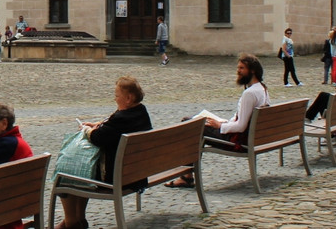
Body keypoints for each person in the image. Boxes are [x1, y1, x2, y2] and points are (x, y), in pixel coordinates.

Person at [58, 76, 152, 228]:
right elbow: (113, 127)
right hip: (136, 175)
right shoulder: (140, 111)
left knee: (65, 174)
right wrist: (98, 124)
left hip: (116, 177)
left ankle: (71, 222)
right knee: (81, 170)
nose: (115, 99)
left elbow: (97, 138)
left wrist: (87, 130)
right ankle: (78, 219)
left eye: (117, 96)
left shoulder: (121, 119)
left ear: (128, 98)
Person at [170, 55, 267, 189]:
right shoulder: (262, 89)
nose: (238, 71)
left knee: (190, 125)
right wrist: (224, 122)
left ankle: (186, 177)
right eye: (238, 67)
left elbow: (241, 126)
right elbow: (242, 121)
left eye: (242, 68)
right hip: (250, 137)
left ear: (252, 71)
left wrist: (220, 125)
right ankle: (186, 177)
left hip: (237, 141)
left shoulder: (250, 94)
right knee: (192, 122)